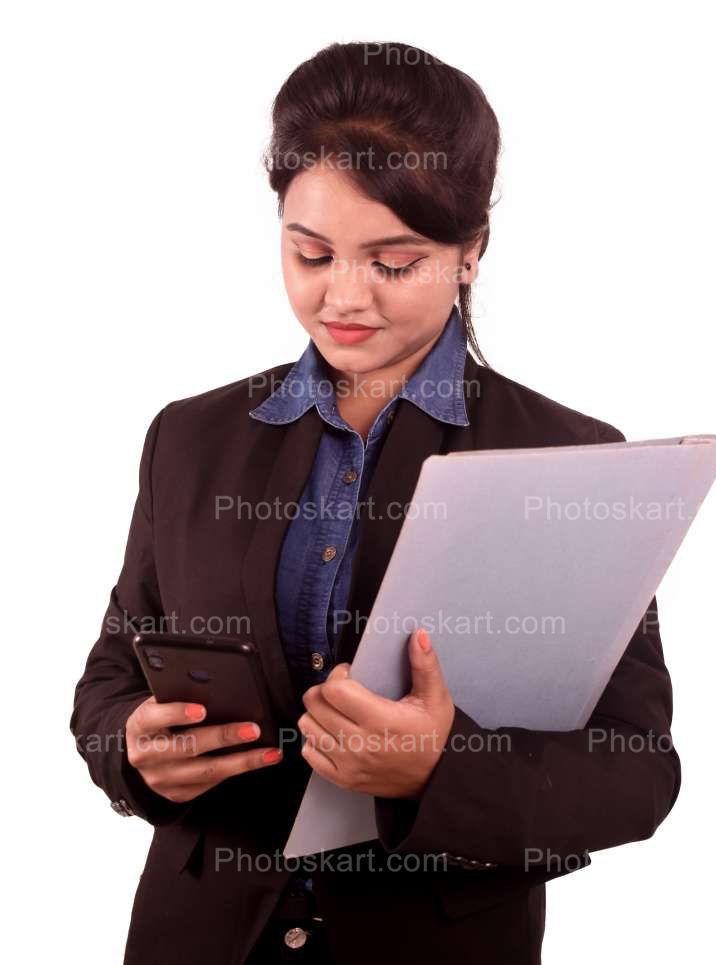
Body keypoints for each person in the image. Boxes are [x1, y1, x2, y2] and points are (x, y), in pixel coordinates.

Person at [70, 41, 681, 965]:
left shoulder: (574, 460)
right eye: (310, 252)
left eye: (394, 262)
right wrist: (131, 749)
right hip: (200, 937)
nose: (342, 296)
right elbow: (112, 678)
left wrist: (441, 766)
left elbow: (636, 773)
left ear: (471, 250)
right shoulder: (188, 438)